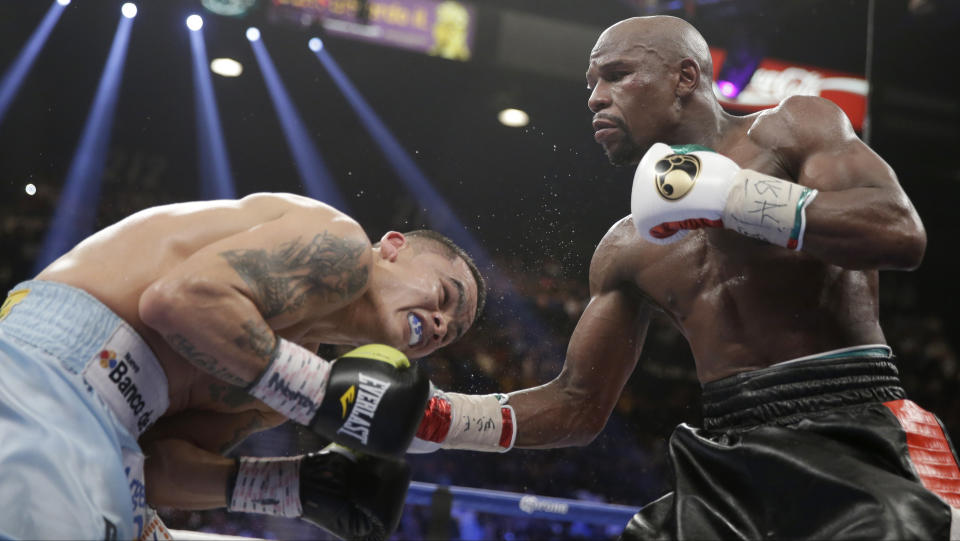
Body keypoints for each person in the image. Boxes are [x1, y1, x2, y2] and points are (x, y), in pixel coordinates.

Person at [409, 15, 960, 539]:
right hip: (724, 461)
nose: (596, 97)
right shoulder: (626, 248)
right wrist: (443, 417)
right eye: (591, 83)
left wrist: (737, 199)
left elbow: (899, 234)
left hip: (856, 431)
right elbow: (577, 403)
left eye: (617, 75)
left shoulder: (793, 129)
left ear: (685, 77)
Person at [0, 192, 485, 540]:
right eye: (444, 295)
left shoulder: (277, 386)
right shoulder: (341, 245)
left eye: (450, 334)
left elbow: (155, 469)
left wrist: (295, 486)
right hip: (48, 374)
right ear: (394, 247)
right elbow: (178, 302)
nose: (441, 325)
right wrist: (322, 393)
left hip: (106, 437)